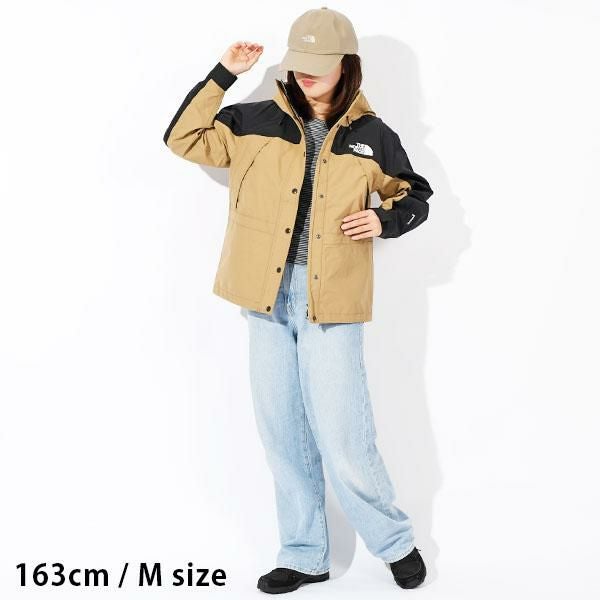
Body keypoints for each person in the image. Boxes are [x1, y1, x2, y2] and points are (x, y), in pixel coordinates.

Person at [163, 7, 433, 594]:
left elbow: (416, 196)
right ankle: (305, 554)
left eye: (319, 64)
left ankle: (395, 543)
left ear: (347, 65)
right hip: (264, 297)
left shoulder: (373, 135)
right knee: (282, 434)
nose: (306, 73)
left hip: (330, 299)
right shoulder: (251, 119)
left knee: (343, 436)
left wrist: (384, 219)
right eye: (300, 62)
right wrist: (223, 75)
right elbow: (182, 139)